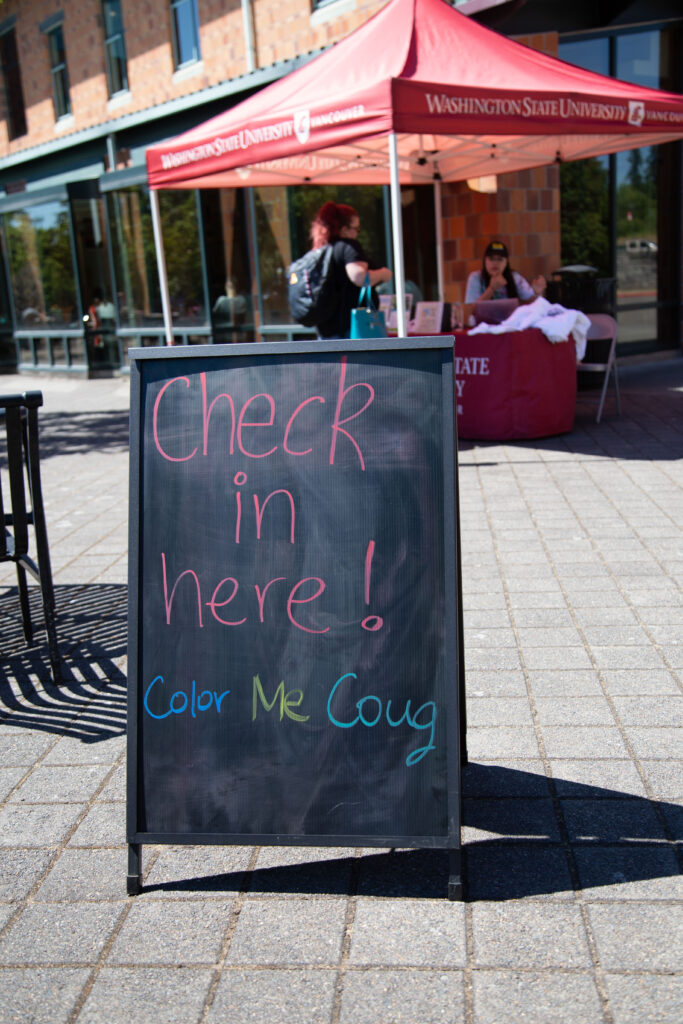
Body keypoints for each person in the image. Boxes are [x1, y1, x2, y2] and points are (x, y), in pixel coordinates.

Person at [310, 201, 392, 339]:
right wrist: (383, 274)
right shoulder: (348, 246)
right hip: (352, 330)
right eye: (356, 229)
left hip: (326, 331)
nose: (357, 234)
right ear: (344, 229)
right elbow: (359, 276)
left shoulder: (321, 251)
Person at [464, 240, 546, 322]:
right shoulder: (475, 277)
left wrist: (538, 293)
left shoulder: (514, 277)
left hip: (510, 324)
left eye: (499, 259)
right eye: (491, 259)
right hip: (482, 325)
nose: (495, 263)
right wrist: (491, 289)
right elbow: (470, 311)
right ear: (485, 261)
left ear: (506, 262)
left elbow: (532, 304)